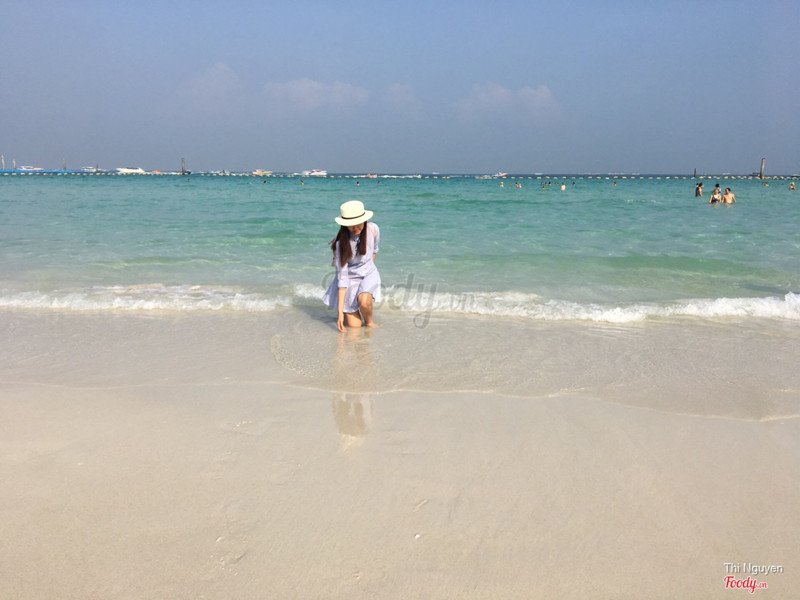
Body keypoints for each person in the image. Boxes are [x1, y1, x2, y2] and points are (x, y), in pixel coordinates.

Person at [323, 200, 381, 331]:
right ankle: (346, 311)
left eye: (358, 223)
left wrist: (369, 275)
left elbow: (374, 250)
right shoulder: (341, 244)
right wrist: (340, 315)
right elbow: (342, 279)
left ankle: (370, 323)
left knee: (364, 301)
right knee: (355, 327)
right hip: (349, 279)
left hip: (368, 273)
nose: (355, 228)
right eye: (351, 225)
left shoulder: (373, 229)